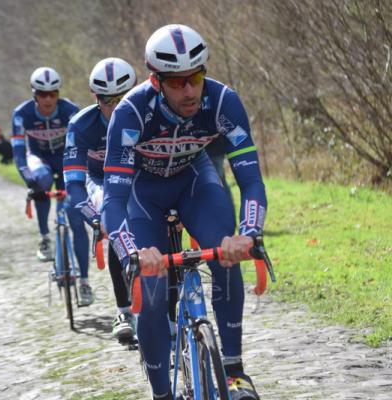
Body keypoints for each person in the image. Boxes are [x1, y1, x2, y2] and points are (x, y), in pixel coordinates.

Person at [102, 24, 267, 400]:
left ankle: (236, 372)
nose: (190, 90)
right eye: (177, 82)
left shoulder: (224, 101)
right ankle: (162, 393)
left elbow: (252, 181)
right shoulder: (130, 113)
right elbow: (113, 199)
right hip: (143, 193)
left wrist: (249, 233)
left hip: (195, 181)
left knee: (226, 256)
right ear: (156, 81)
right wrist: (132, 253)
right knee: (155, 289)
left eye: (195, 77)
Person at [63, 57, 138, 340]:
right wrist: (96, 219)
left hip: (142, 177)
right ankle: (124, 310)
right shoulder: (80, 125)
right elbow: (74, 185)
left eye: (124, 97)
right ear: (96, 98)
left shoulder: (150, 113)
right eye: (108, 100)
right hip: (101, 180)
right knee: (111, 216)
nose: (116, 106)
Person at [11, 67, 93, 306]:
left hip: (66, 159)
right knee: (42, 180)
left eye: (52, 93)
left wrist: (82, 182)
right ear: (34, 94)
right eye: (42, 94)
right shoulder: (21, 114)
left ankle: (85, 282)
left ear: (58, 93)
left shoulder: (71, 111)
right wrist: (30, 183)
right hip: (40, 160)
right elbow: (18, 153)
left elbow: (83, 148)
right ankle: (45, 236)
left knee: (76, 218)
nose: (48, 99)